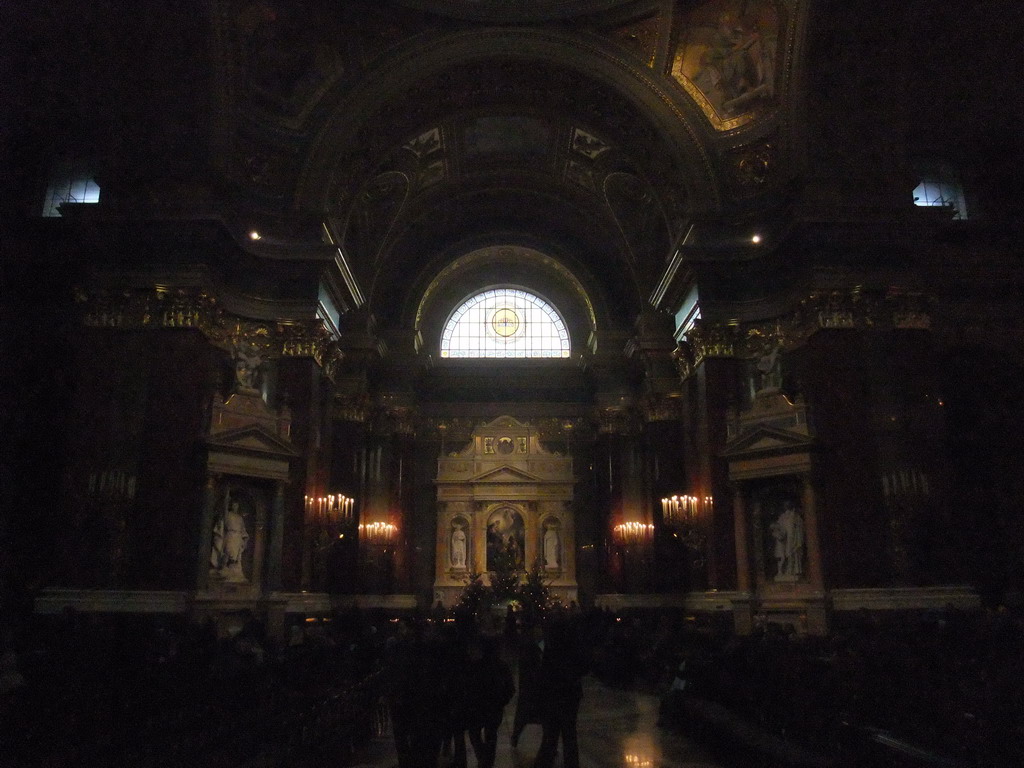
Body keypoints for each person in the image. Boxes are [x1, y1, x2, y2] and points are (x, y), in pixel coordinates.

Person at [532, 617, 589, 768]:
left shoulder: (551, 648)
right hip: (570, 695)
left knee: (551, 735)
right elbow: (584, 666)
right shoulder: (573, 647)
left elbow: (544, 673)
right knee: (569, 734)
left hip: (554, 695)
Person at [464, 636, 514, 768]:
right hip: (494, 706)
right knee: (491, 735)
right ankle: (488, 761)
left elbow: (469, 686)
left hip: (478, 706)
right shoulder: (501, 666)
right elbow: (510, 688)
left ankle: (482, 757)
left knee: (474, 732)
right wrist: (503, 700)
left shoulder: (475, 666)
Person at [511, 622, 544, 748]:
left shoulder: (534, 646)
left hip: (532, 688)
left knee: (526, 715)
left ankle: (548, 744)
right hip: (531, 687)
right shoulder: (530, 648)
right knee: (525, 715)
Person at [210, 500, 250, 582]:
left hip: (238, 537)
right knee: (228, 552)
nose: (235, 507)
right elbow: (222, 521)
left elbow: (243, 530)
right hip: (230, 535)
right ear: (231, 506)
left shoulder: (240, 518)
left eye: (237, 505)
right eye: (234, 505)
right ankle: (223, 567)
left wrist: (244, 539)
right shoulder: (228, 514)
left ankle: (234, 571)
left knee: (237, 556)